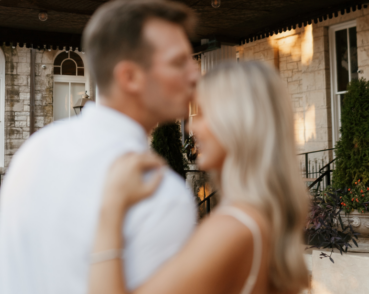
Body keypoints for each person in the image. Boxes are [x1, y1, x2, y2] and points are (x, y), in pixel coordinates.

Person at [0, 0, 199, 294]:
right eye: (179, 62)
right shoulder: (159, 193)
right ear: (129, 76)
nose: (195, 73)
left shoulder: (35, 150)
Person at [88, 61, 309, 294]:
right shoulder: (261, 218)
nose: (191, 127)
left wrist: (111, 209)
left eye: (202, 113)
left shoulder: (231, 228)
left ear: (238, 123)